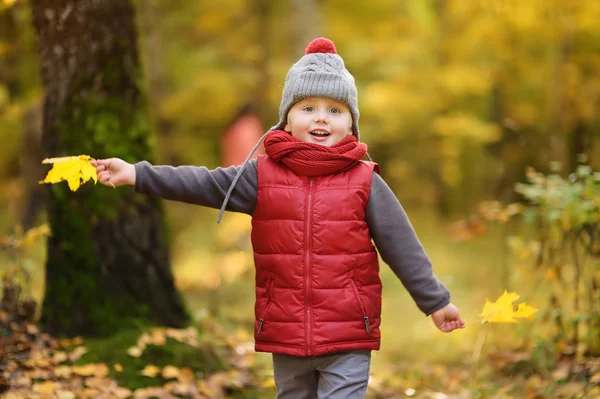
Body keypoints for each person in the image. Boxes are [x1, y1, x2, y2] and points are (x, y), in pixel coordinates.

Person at [92, 37, 465, 399]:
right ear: (285, 120)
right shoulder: (261, 175)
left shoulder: (364, 180)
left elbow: (402, 245)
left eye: (335, 110)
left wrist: (435, 301)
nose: (321, 118)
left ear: (351, 124)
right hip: (284, 330)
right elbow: (202, 183)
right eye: (308, 108)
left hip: (349, 330)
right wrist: (137, 174)